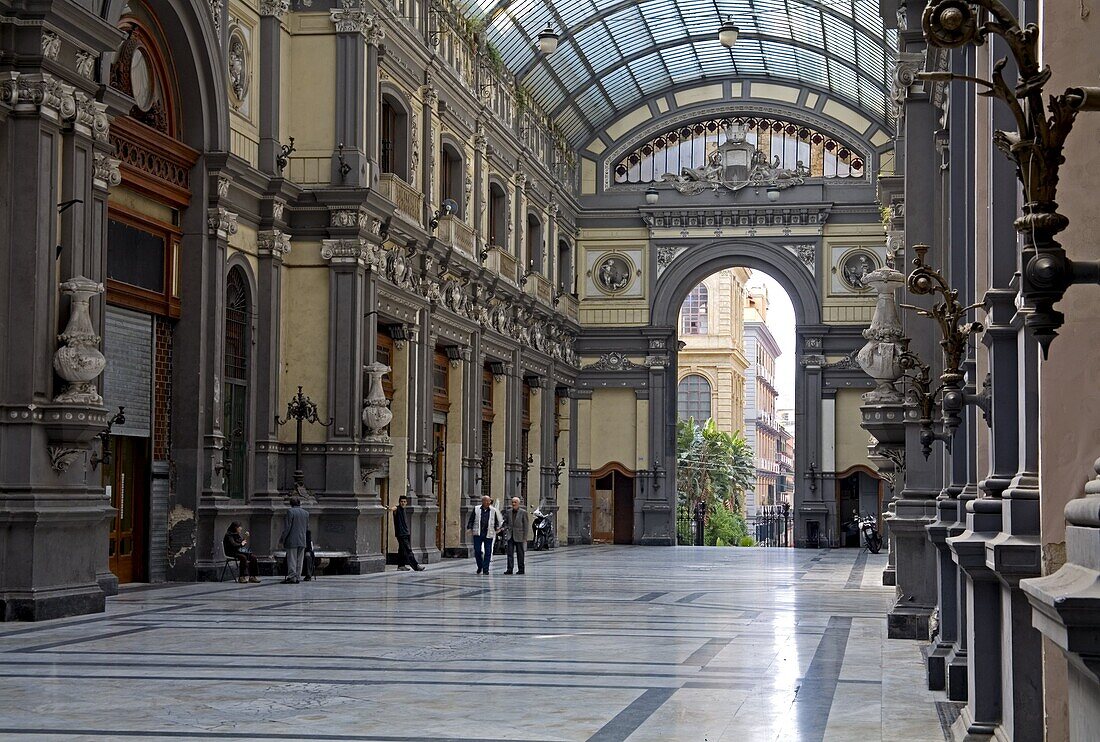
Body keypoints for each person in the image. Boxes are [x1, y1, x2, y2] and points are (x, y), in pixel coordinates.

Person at [465, 495, 502, 575]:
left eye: (489, 501)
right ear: (483, 502)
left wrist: (497, 528)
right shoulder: (476, 509)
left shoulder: (493, 510)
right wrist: (469, 528)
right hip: (478, 533)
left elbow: (496, 521)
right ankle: (480, 566)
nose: (488, 503)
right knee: (477, 551)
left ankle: (486, 569)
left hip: (489, 533)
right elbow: (471, 520)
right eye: (487, 501)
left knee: (488, 552)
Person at [391, 494, 425, 572]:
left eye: (404, 502)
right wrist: (389, 509)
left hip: (405, 533)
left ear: (406, 503)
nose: (403, 503)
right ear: (399, 502)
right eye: (401, 501)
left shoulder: (403, 510)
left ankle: (401, 566)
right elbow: (393, 508)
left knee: (402, 550)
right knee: (408, 550)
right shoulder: (397, 509)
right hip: (401, 534)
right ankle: (416, 566)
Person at [280, 495, 309, 584]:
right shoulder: (306, 513)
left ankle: (292, 577)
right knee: (300, 559)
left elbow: (288, 527)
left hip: (292, 539)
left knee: (292, 559)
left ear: (291, 504)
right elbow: (307, 527)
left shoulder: (290, 512)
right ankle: (298, 576)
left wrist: (283, 538)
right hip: (302, 539)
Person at [501, 497, 530, 575]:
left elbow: (526, 525)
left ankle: (521, 569)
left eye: (515, 502)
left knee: (520, 553)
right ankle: (509, 569)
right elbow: (506, 522)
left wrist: (525, 537)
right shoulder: (508, 512)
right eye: (512, 502)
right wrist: (504, 528)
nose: (513, 504)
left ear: (518, 503)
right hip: (510, 535)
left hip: (519, 535)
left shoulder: (523, 512)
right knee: (509, 553)